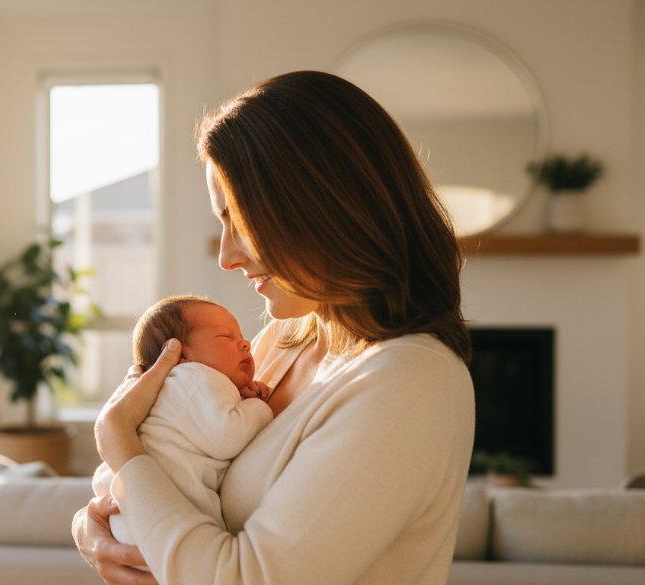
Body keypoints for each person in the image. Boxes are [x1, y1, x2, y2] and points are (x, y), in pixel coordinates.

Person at [71, 70, 475, 585]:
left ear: (320, 207)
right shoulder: (283, 341)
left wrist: (118, 443)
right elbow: (174, 473)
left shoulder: (410, 382)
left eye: (239, 220)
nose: (226, 256)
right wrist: (92, 530)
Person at [92, 295, 273, 549]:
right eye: (226, 337)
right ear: (181, 354)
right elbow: (226, 436)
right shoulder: (195, 376)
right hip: (157, 516)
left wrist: (240, 398)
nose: (245, 344)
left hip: (129, 514)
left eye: (241, 337)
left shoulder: (170, 387)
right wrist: (259, 407)